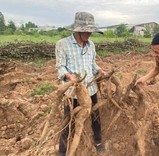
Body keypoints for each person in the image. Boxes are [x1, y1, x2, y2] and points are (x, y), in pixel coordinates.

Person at [55, 12, 105, 156]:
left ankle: (98, 142)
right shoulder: (62, 44)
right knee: (67, 121)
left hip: (91, 88)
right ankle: (62, 151)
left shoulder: (91, 45)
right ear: (77, 29)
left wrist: (100, 71)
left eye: (90, 31)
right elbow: (60, 67)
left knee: (95, 116)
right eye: (86, 30)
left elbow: (92, 64)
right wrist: (68, 76)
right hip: (72, 91)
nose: (89, 34)